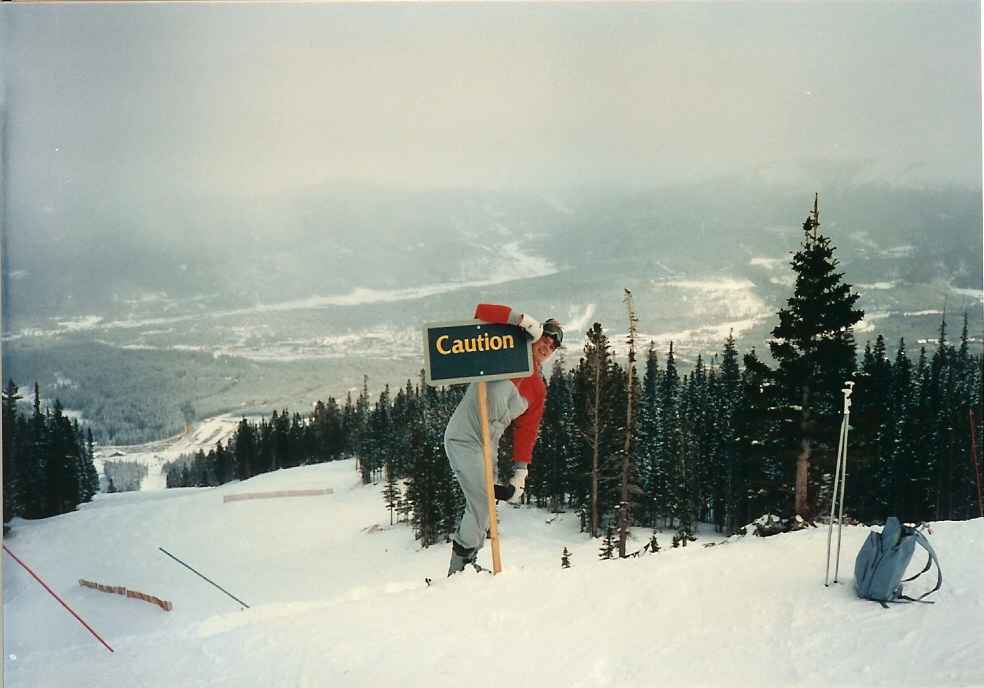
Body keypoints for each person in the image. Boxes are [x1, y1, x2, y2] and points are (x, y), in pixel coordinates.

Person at [443, 303, 564, 576]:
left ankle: (467, 565)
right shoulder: (503, 353)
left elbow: (527, 430)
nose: (547, 347)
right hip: (464, 437)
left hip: (488, 446)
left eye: (552, 346)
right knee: (482, 502)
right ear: (536, 336)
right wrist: (520, 320)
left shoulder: (538, 389)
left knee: (485, 508)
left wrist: (521, 472)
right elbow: (481, 312)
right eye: (545, 339)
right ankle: (459, 570)